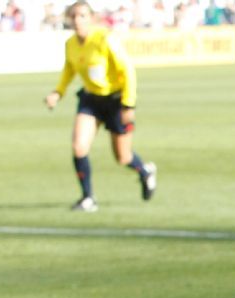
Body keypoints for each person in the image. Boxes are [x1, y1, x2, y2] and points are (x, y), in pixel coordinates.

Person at [44, 2, 158, 212]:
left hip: (115, 101)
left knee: (122, 157)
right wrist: (58, 92)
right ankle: (88, 198)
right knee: (79, 146)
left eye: (82, 15)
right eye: (74, 16)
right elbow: (69, 70)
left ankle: (145, 171)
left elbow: (127, 70)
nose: (78, 20)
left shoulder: (105, 39)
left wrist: (128, 103)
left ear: (92, 18)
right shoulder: (70, 44)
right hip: (91, 100)